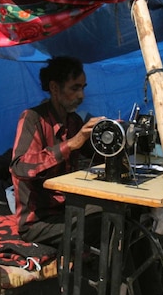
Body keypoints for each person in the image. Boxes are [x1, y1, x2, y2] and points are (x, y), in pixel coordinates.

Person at [10, 56, 105, 246]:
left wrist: (110, 137)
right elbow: (19, 167)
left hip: (66, 210)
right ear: (54, 88)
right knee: (106, 223)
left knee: (120, 212)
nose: (81, 96)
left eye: (83, 88)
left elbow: (96, 155)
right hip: (38, 223)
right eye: (75, 88)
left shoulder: (74, 122)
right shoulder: (33, 118)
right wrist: (70, 144)